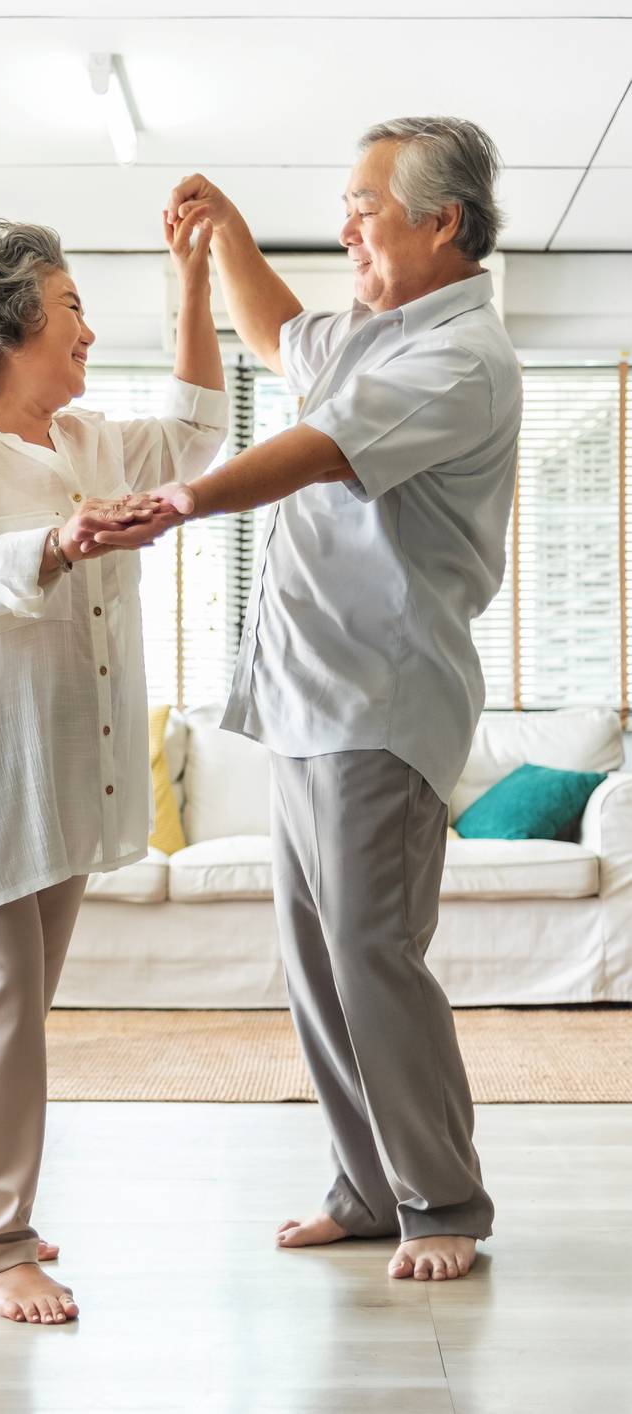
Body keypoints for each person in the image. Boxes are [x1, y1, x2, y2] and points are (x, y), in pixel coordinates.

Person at [155, 116, 517, 1283]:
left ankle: (443, 1199)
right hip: (309, 698)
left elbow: (316, 449)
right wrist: (225, 236)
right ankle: (365, 1190)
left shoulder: (457, 359)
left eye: (366, 206)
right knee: (318, 964)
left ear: (441, 221)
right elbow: (274, 334)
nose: (348, 226)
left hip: (381, 698)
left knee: (371, 954)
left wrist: (179, 500)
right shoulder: (371, 332)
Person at [0, 215, 224, 1324]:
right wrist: (58, 543)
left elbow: (196, 431)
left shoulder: (85, 442)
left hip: (63, 768)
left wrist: (191, 276)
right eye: (71, 306)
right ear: (6, 325)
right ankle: (2, 1245)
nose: (87, 330)